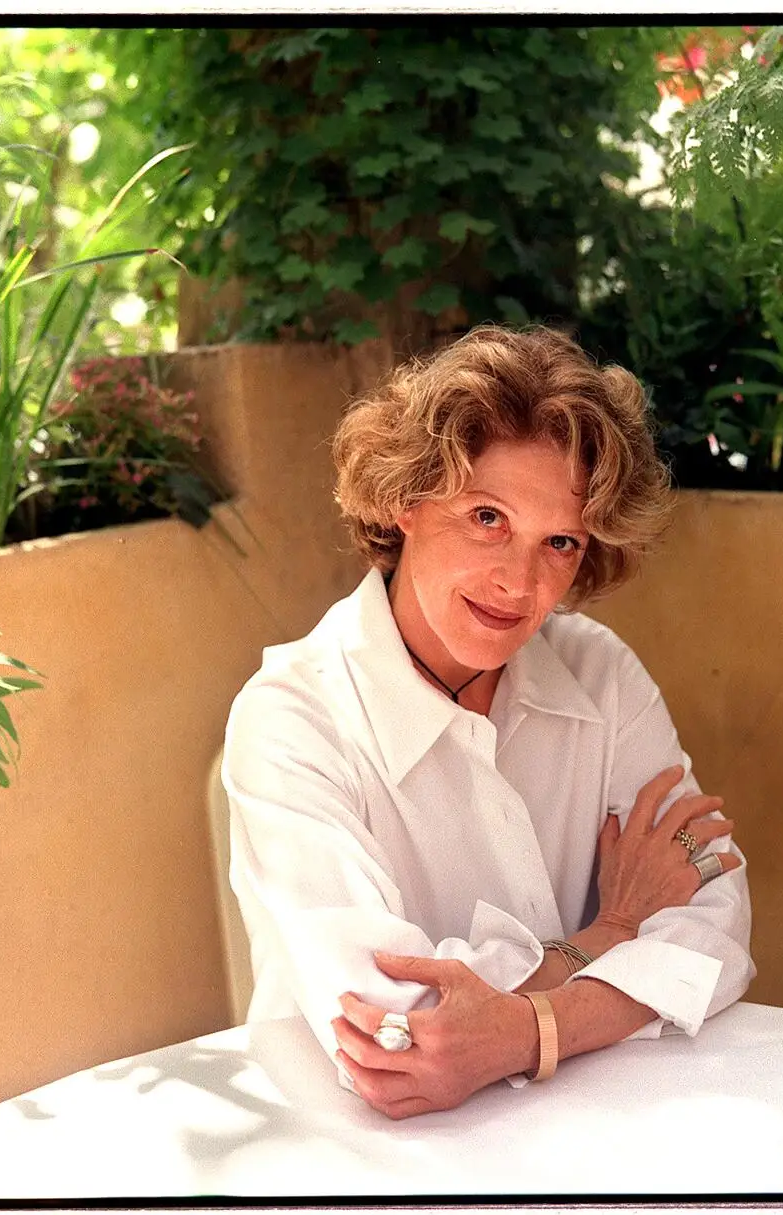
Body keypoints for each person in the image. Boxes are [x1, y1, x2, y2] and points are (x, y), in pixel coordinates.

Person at [222, 324, 754, 1120]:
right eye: (487, 518)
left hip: (604, 1133)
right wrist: (613, 933)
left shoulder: (601, 676)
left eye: (560, 541)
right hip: (364, 1163)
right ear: (406, 498)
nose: (517, 580)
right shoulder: (291, 719)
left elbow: (716, 928)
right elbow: (398, 1028)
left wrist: (521, 1030)